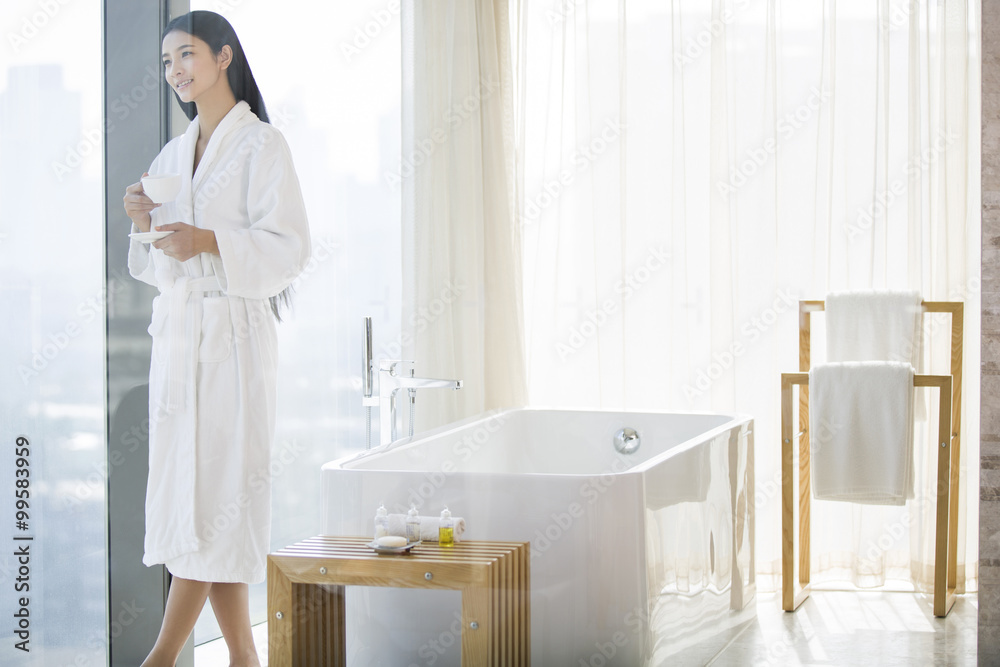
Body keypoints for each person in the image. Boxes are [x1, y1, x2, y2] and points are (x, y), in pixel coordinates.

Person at [123, 10, 310, 667]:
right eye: (168, 62)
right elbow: (154, 266)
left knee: (218, 495)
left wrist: (209, 241)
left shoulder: (263, 147)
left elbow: (290, 250)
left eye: (187, 56)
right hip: (180, 342)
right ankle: (244, 657)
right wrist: (144, 222)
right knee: (203, 503)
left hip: (233, 340)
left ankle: (162, 655)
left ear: (225, 56)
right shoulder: (172, 157)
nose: (175, 71)